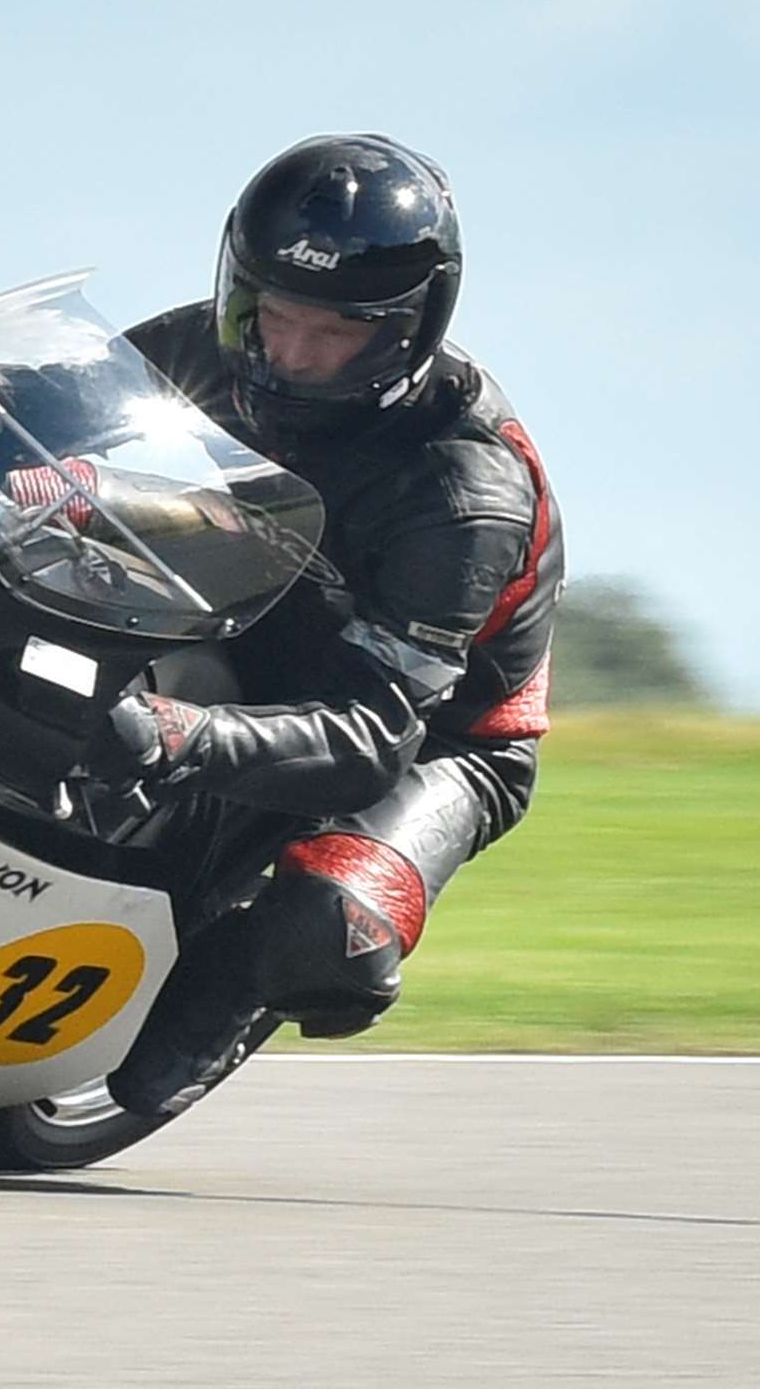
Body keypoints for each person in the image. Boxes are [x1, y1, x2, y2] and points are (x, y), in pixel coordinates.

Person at [78, 132, 560, 1117]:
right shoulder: (213, 344)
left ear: (404, 330)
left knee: (325, 929)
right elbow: (33, 419)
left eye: (332, 332)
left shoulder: (464, 492)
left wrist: (177, 736)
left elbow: (371, 737)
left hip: (431, 737)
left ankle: (256, 958)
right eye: (275, 315)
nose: (289, 356)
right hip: (253, 630)